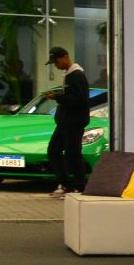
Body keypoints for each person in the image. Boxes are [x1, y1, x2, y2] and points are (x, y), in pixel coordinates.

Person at [45, 46, 92, 197]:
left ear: (65, 57)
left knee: (72, 154)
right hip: (64, 122)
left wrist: (58, 97)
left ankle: (79, 186)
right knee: (54, 151)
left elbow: (80, 99)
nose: (56, 65)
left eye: (57, 61)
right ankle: (65, 183)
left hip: (74, 122)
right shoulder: (68, 75)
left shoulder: (76, 75)